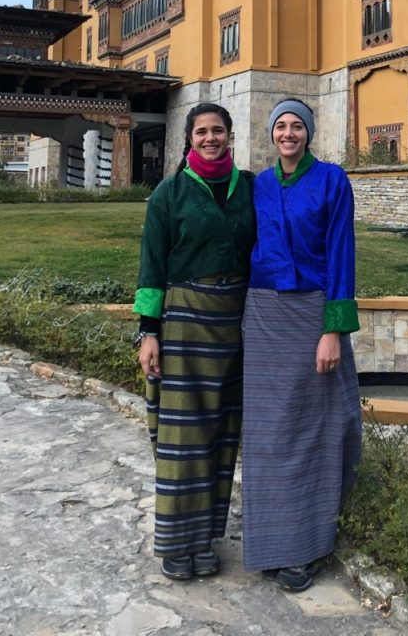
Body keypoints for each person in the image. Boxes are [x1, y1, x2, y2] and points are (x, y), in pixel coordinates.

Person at [242, 98, 362, 592]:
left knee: (312, 429)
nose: (288, 134)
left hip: (312, 315)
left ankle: (307, 546)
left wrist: (332, 329)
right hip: (264, 316)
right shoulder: (259, 185)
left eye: (297, 127)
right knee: (268, 434)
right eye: (281, 127)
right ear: (272, 134)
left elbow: (341, 254)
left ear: (309, 133)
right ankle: (271, 543)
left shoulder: (332, 180)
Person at [133, 103, 256, 581]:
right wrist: (149, 332)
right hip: (185, 319)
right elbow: (151, 267)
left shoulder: (247, 188)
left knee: (223, 434)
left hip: (238, 322)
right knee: (185, 436)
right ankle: (175, 542)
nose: (210, 138)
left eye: (218, 130)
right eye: (202, 131)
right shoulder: (169, 194)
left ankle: (205, 539)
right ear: (189, 139)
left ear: (230, 135)